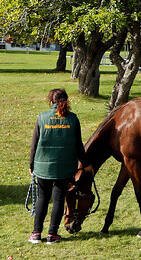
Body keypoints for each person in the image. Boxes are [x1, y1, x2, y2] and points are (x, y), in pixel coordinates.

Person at [28, 89, 90, 245]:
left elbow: (34, 145)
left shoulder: (42, 118)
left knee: (42, 198)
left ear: (51, 101)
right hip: (63, 168)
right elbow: (78, 146)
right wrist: (87, 165)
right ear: (66, 101)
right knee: (58, 200)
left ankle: (36, 233)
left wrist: (31, 165)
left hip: (42, 167)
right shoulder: (73, 119)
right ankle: (52, 234)